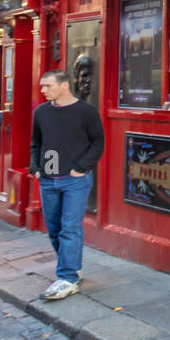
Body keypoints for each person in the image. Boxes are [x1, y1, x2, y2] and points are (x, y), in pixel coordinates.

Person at [30, 68, 105, 301]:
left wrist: (80, 168)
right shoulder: (41, 112)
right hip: (48, 178)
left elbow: (98, 142)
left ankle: (68, 278)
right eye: (42, 86)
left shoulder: (86, 111)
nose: (43, 90)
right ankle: (72, 267)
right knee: (54, 228)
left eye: (47, 86)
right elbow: (36, 143)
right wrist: (36, 168)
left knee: (69, 227)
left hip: (75, 180)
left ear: (64, 86)